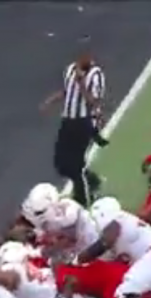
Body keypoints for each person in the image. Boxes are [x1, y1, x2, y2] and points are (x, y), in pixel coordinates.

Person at [41, 38, 107, 206]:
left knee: (76, 166)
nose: (79, 60)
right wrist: (51, 101)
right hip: (68, 121)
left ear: (89, 56)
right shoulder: (70, 69)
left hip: (83, 123)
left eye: (83, 56)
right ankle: (92, 180)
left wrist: (82, 83)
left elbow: (94, 102)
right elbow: (67, 90)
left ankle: (83, 200)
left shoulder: (96, 75)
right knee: (61, 162)